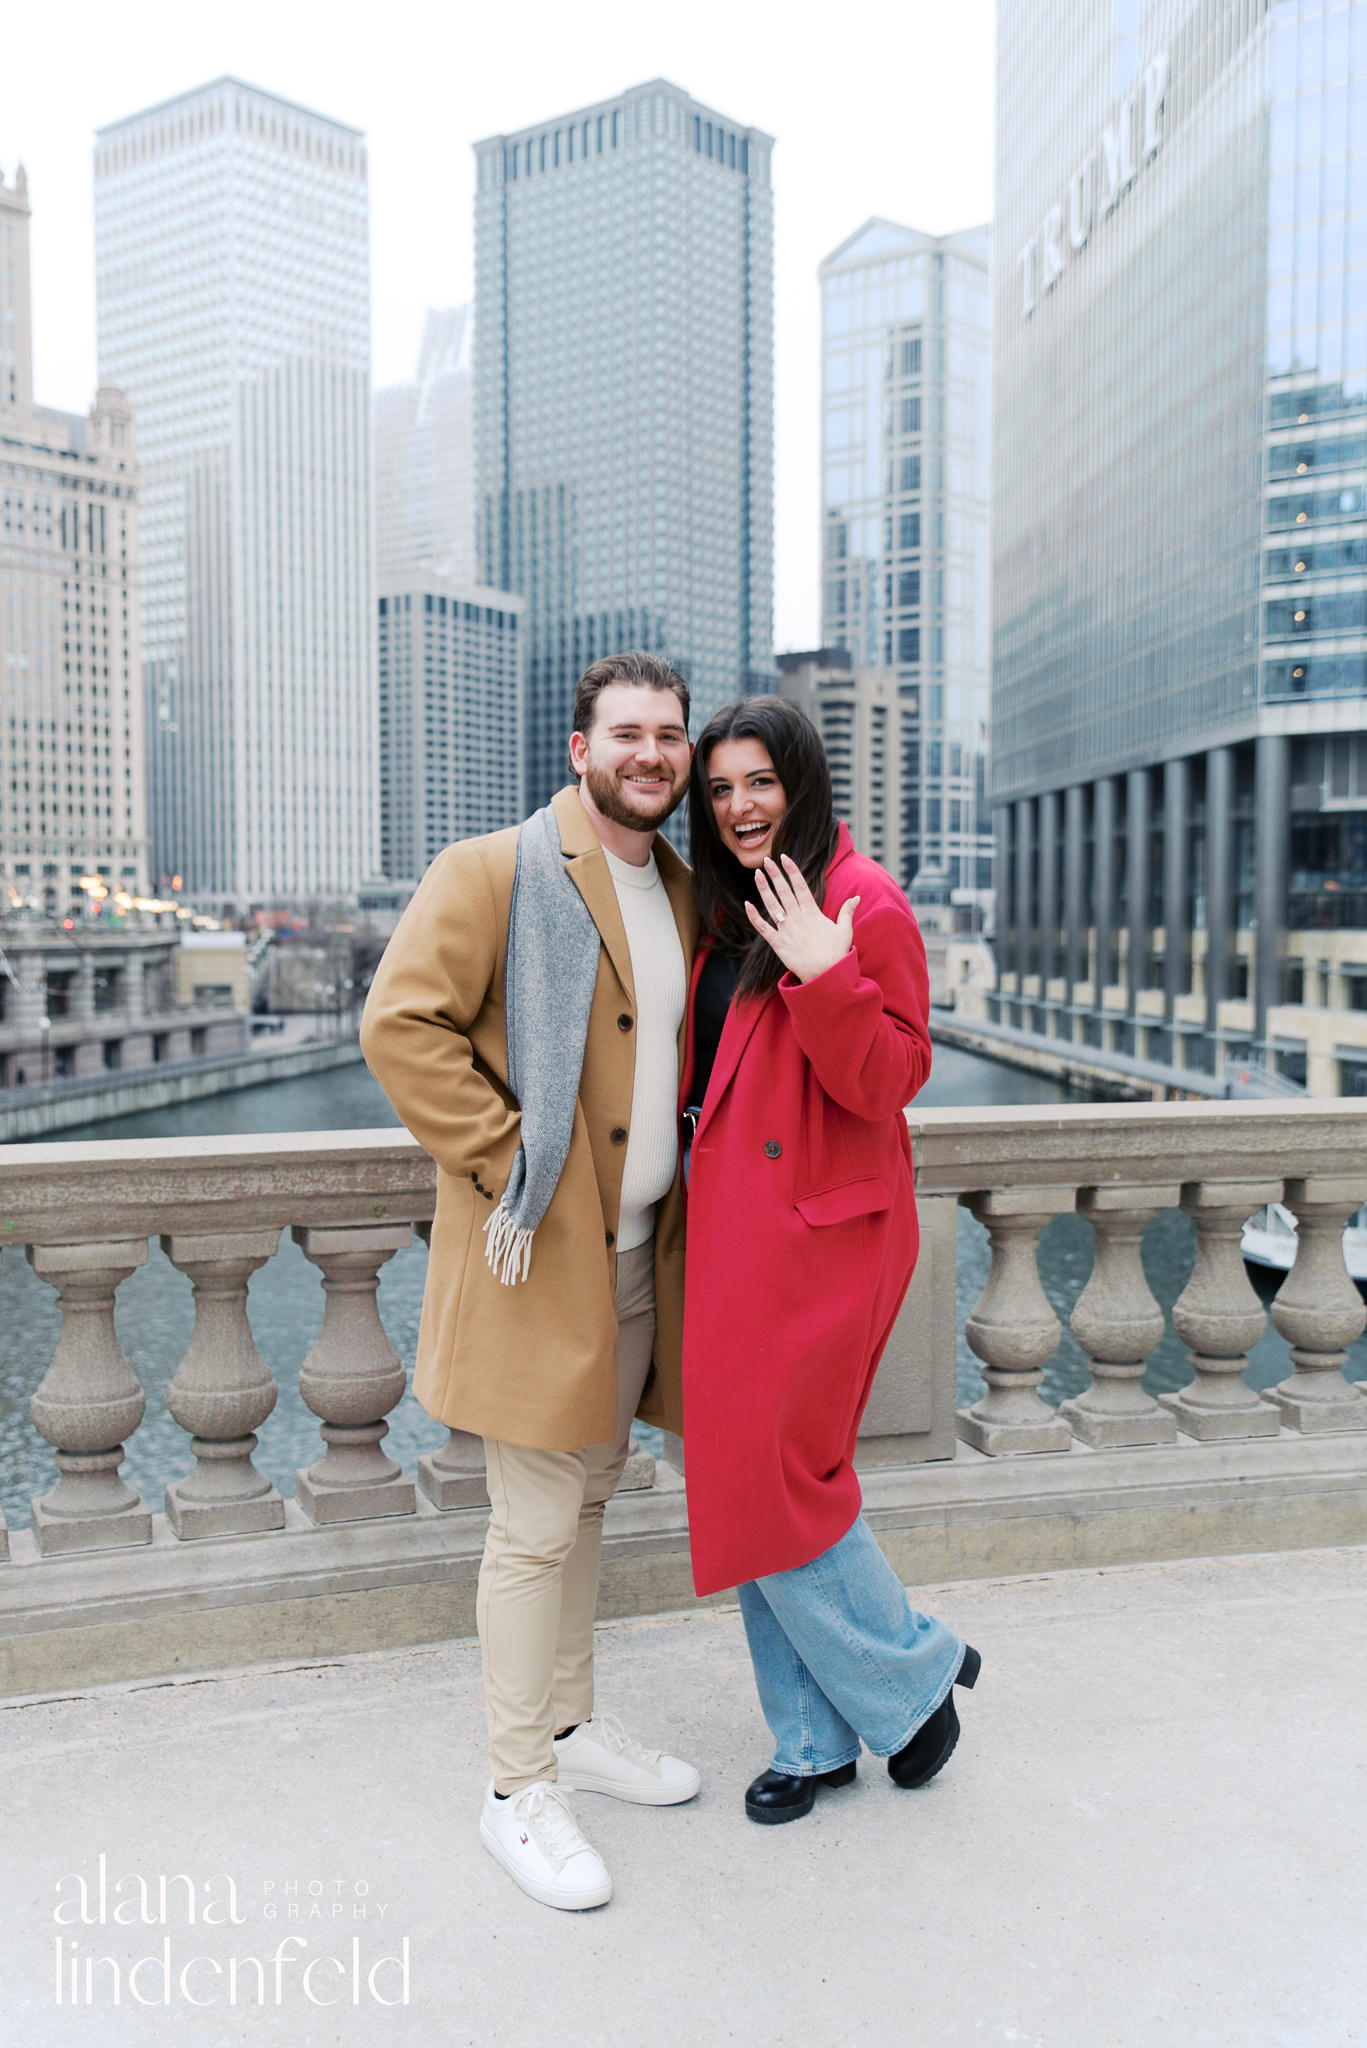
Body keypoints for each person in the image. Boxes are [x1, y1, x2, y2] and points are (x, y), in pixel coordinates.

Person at [361, 650, 702, 1911]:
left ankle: (570, 1728)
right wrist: (515, 1158)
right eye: (627, 731)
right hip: (534, 1264)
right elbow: (400, 1023)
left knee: (595, 1503)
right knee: (532, 1526)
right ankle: (515, 1788)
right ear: (579, 747)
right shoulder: (494, 869)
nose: (651, 752)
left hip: (635, 1262)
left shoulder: (678, 883)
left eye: (669, 732)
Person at [680, 696, 980, 1824]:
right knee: (753, 1478)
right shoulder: (726, 908)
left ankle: (908, 1679)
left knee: (779, 1477)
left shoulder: (864, 902)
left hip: (821, 1236)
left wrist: (823, 970)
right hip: (730, 1230)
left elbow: (891, 1076)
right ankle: (815, 1737)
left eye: (758, 781)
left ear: (801, 783)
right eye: (719, 790)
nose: (739, 805)